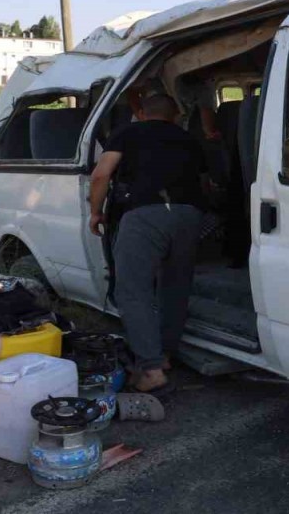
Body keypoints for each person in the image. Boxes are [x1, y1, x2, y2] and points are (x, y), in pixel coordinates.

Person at [89, 93, 207, 393]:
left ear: (142, 113)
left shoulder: (127, 132)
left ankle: (151, 369)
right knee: (175, 287)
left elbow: (101, 174)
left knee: (132, 290)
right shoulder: (188, 138)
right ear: (175, 115)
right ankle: (165, 356)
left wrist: (95, 211)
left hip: (144, 215)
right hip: (189, 215)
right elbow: (205, 181)